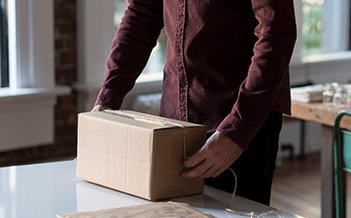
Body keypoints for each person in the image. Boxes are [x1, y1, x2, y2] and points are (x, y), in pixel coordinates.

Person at [92, 1, 297, 206]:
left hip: (238, 124)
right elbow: (141, 14)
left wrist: (237, 130)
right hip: (174, 124)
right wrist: (107, 100)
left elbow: (276, 34)